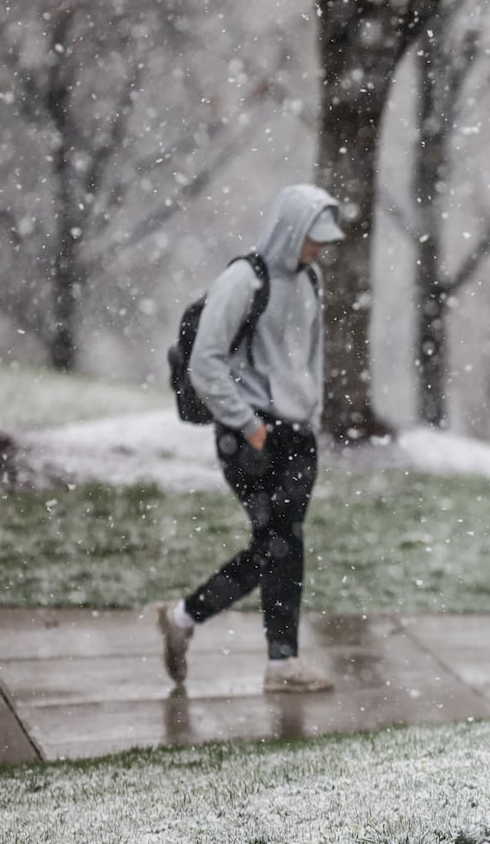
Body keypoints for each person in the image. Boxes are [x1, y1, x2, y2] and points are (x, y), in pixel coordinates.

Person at [156, 183, 344, 693]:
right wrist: (249, 425)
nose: (318, 249)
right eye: (312, 238)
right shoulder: (244, 280)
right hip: (252, 438)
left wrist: (312, 414)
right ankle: (254, 651)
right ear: (289, 230)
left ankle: (195, 623)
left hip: (298, 434)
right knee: (277, 545)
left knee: (284, 544)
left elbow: (311, 356)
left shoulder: (312, 281)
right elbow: (205, 363)